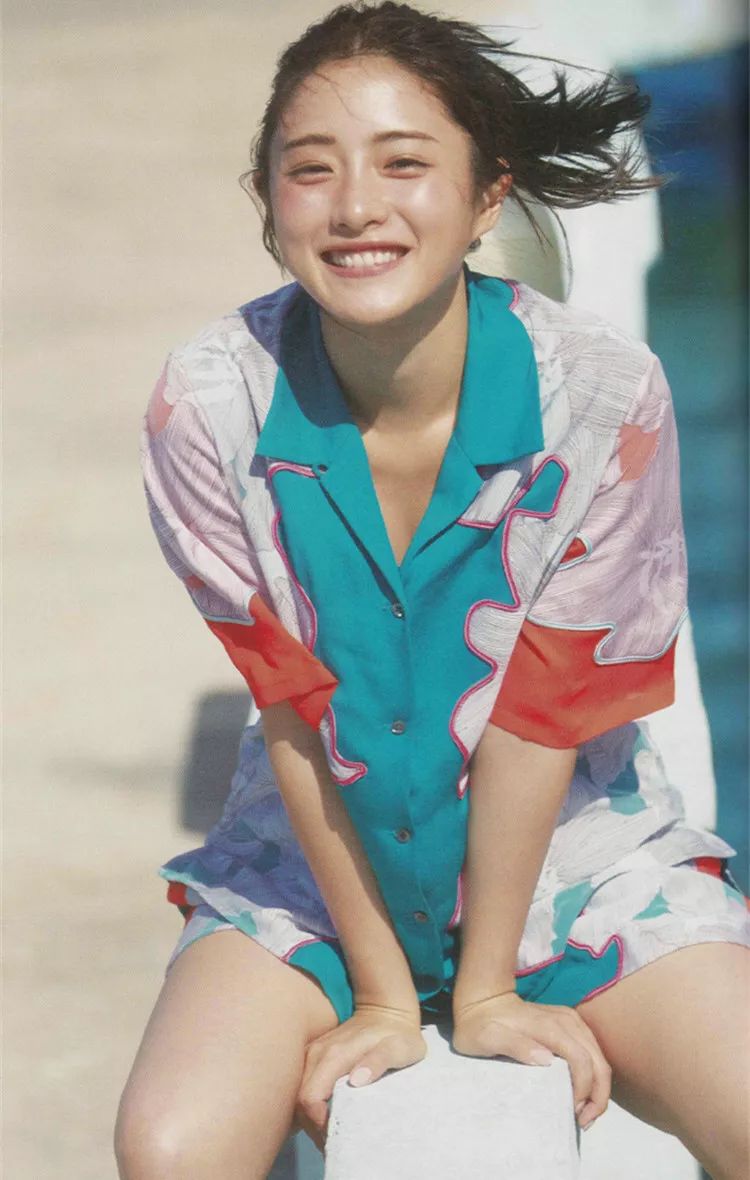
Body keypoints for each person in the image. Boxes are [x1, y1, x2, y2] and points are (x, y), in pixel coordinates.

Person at [115, 4, 750, 1178]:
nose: (356, 206)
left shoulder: (604, 396)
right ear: (267, 202)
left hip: (574, 854)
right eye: (312, 169)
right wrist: (379, 990)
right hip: (315, 869)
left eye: (405, 163)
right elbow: (293, 709)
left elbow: (542, 714)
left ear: (487, 196)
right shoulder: (205, 404)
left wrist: (489, 986)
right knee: (168, 1148)